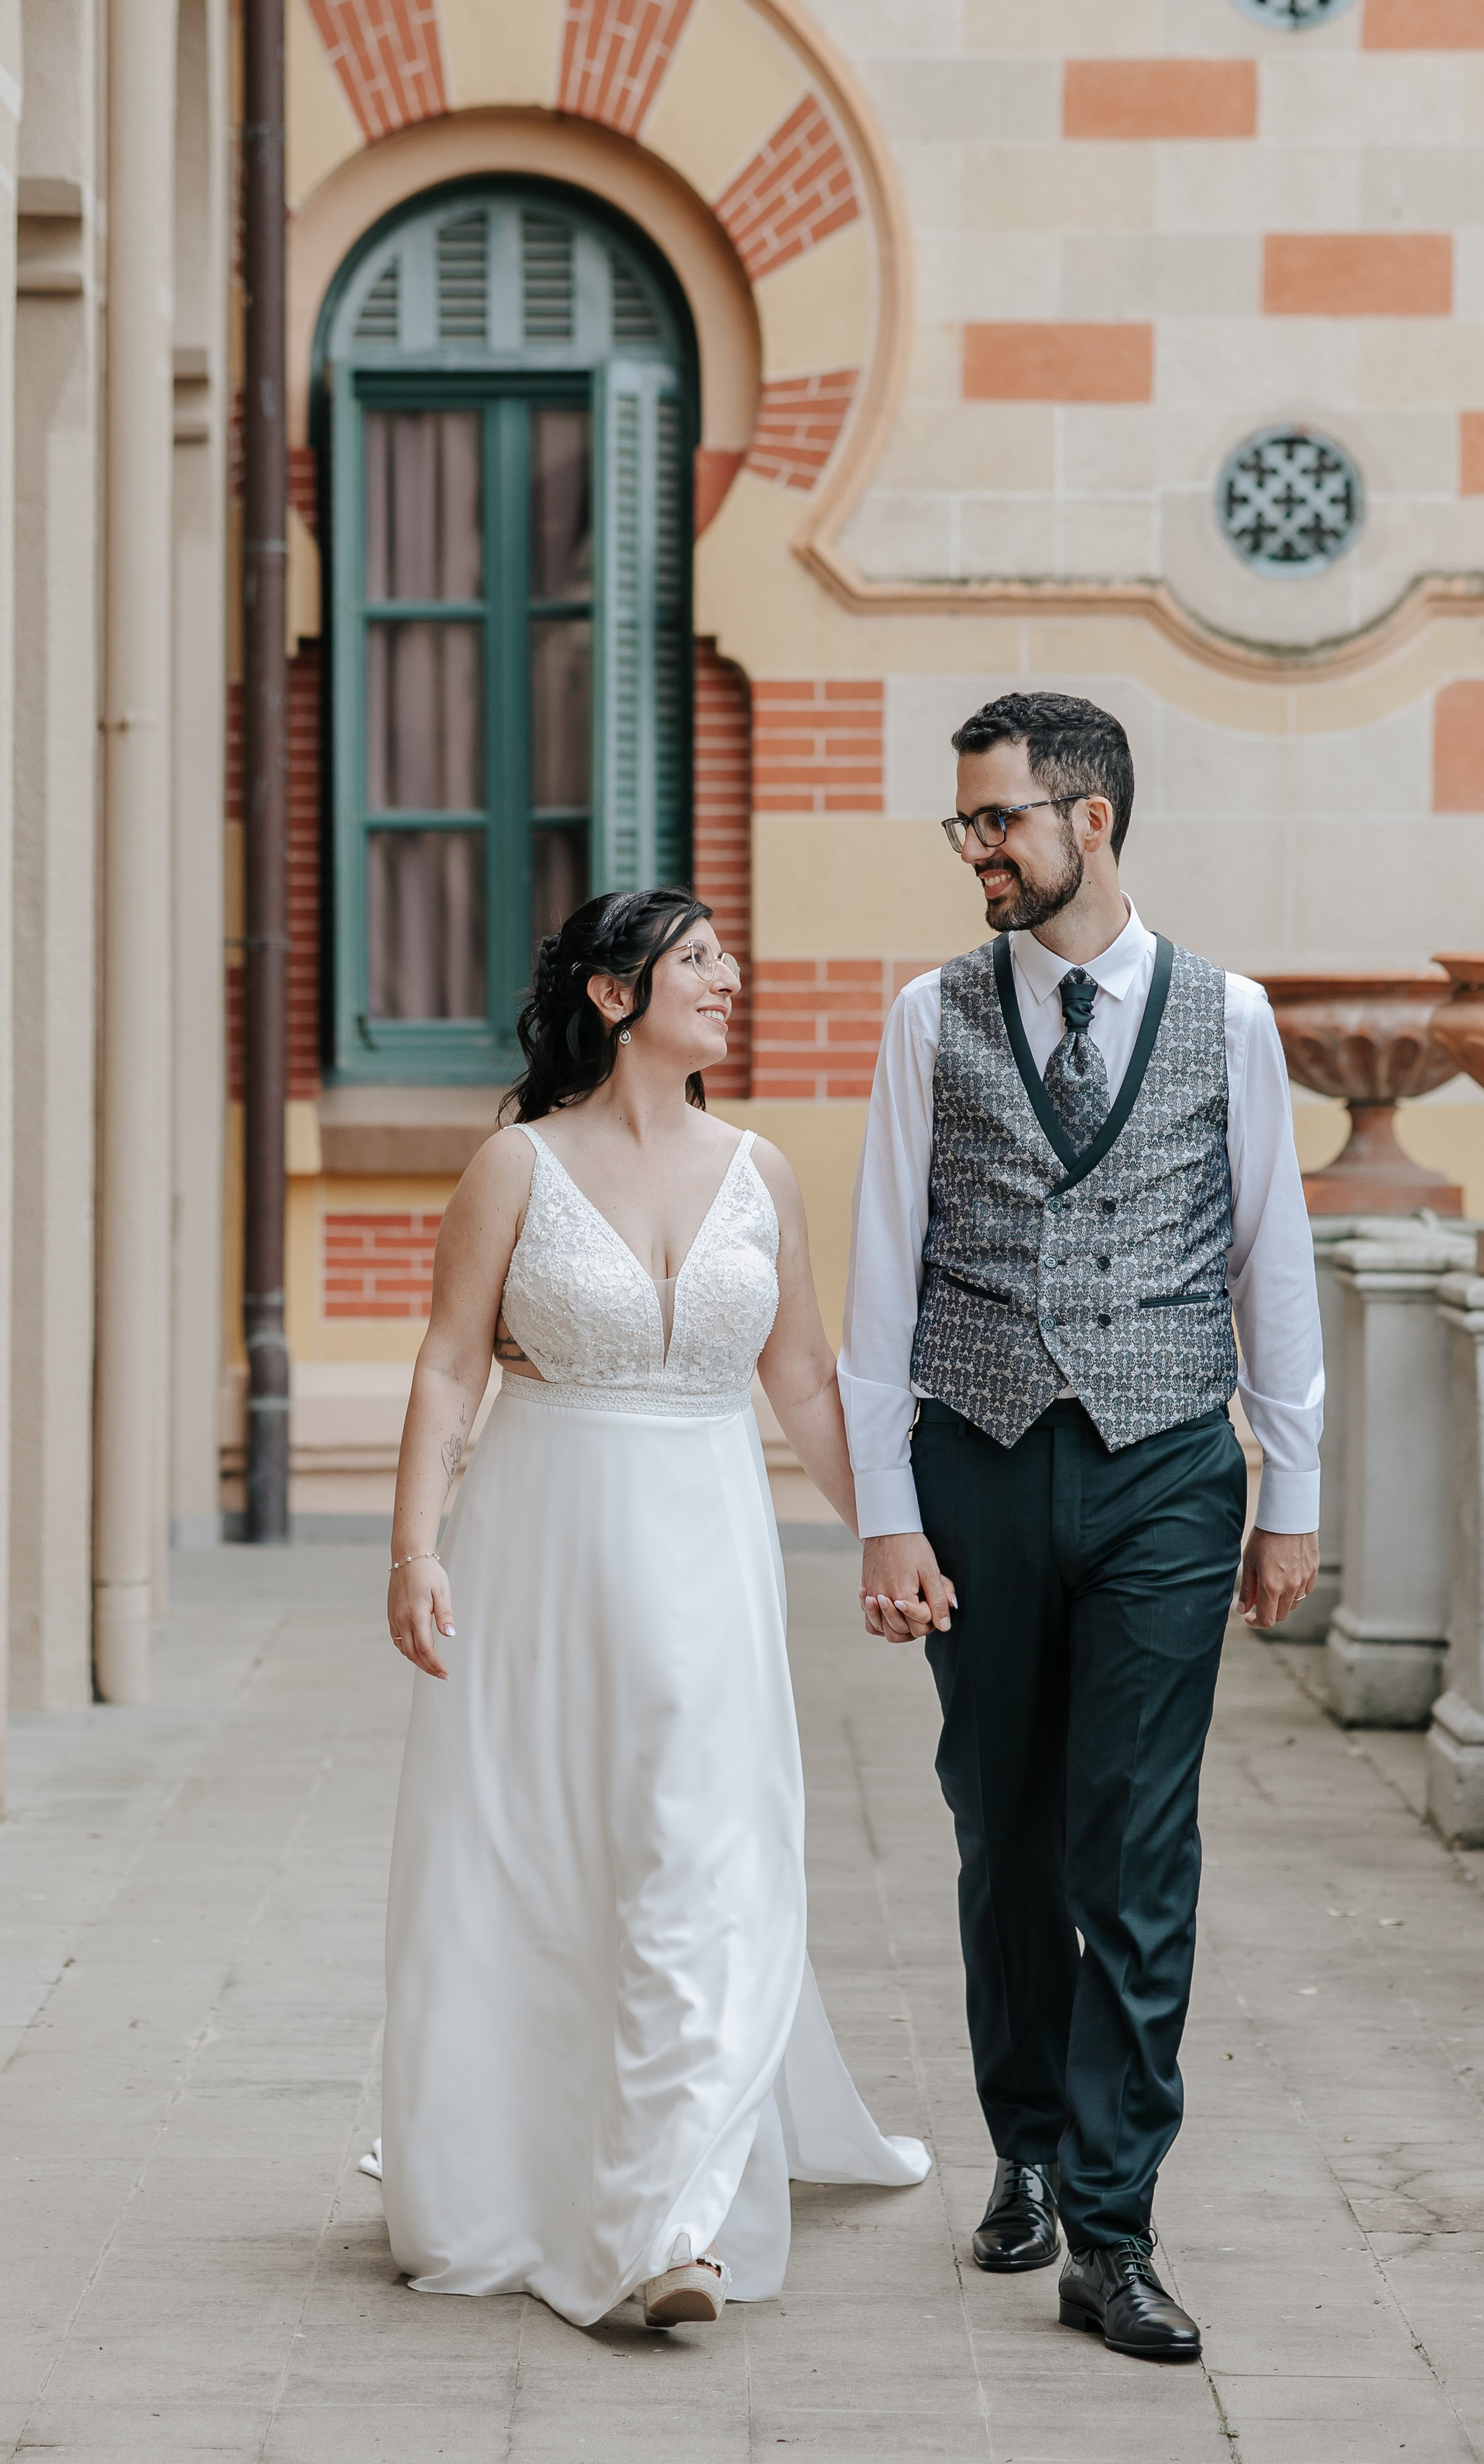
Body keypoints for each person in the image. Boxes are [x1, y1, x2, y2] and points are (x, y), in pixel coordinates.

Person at [840, 693, 1322, 2363]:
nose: (975, 850)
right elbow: (877, 1277)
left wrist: (1292, 1494)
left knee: (1135, 1847)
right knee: (1004, 1830)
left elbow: (1273, 1259)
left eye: (999, 822)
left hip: (1167, 1472)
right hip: (975, 1462)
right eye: (962, 826)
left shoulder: (1229, 1018)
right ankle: (1023, 2145)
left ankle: (1110, 2228)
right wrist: (884, 1514)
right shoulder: (929, 1016)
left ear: (1090, 817)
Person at [379, 887, 928, 2332]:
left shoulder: (763, 1171)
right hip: (538, 1554)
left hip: (708, 1560)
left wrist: (891, 1533)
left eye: (726, 957)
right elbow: (450, 1368)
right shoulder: (517, 1166)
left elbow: (802, 1381)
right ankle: (517, 2166)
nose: (728, 979)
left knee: (705, 1852)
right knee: (541, 1858)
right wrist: (412, 1550)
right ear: (616, 997)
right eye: (696, 960)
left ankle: (669, 2225)